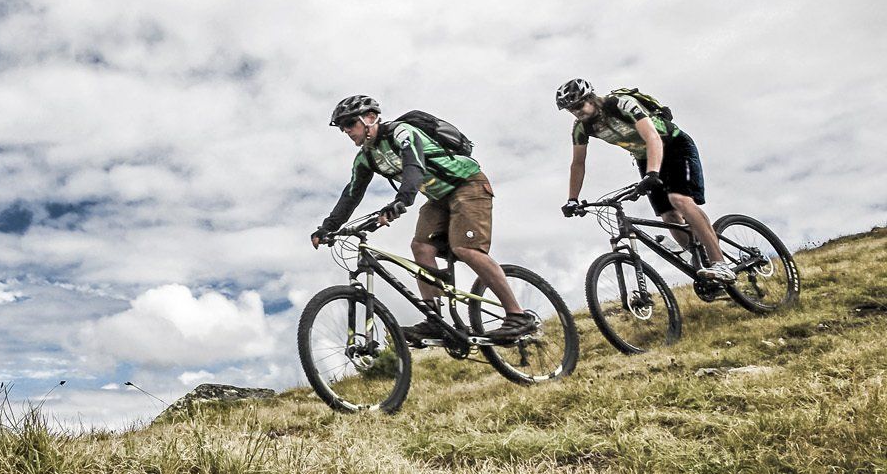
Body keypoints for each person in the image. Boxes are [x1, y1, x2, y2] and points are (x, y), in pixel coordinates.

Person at [311, 95, 536, 344]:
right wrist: (328, 227)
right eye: (342, 127)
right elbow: (351, 194)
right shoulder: (366, 157)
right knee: (420, 247)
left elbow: (413, 167)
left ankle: (517, 315)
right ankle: (434, 320)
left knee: (466, 248)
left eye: (350, 123)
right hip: (438, 198)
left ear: (370, 118)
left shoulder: (402, 133)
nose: (346, 131)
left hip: (467, 184)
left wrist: (401, 201)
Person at [555, 79, 733, 290]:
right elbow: (578, 163)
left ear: (591, 98)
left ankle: (721, 263)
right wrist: (572, 199)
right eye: (570, 110)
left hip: (674, 146)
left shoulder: (621, 104)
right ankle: (701, 262)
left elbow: (652, 137)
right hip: (644, 156)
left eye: (578, 106)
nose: (576, 112)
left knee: (680, 200)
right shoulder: (581, 128)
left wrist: (653, 173)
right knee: (669, 215)